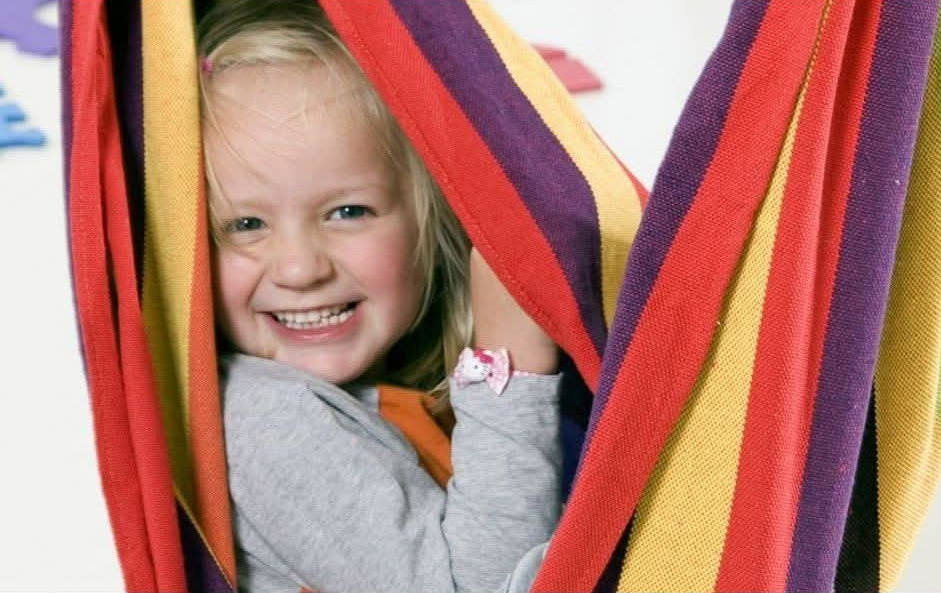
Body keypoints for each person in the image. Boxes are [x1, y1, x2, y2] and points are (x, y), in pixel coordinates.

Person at [198, 1, 564, 591]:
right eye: (245, 225)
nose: (300, 266)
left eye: (347, 211)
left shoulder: (356, 391)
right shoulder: (269, 419)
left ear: (427, 222)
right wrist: (508, 368)